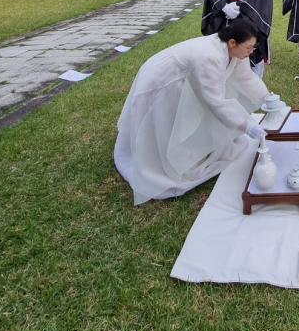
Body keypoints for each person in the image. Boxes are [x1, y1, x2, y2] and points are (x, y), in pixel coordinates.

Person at [114, 17, 269, 205]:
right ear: (232, 42)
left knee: (187, 118)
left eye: (253, 47)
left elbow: (245, 78)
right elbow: (215, 102)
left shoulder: (237, 51)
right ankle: (157, 164)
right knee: (163, 122)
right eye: (249, 48)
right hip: (161, 80)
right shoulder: (209, 56)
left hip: (182, 76)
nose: (251, 52)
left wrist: (268, 100)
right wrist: (247, 127)